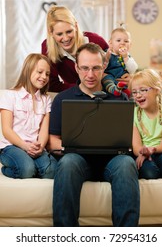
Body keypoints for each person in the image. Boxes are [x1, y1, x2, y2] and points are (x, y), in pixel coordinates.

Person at [48, 42, 140, 227]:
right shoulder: (62, 99)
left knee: (126, 164)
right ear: (76, 67)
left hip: (113, 162)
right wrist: (73, 146)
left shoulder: (119, 97)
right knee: (68, 162)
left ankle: (127, 238)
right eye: (85, 68)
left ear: (104, 66)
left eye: (96, 68)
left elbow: (131, 134)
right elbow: (52, 142)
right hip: (77, 161)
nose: (90, 75)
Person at [0, 53, 57, 179]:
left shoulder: (46, 99)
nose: (44, 77)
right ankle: (6, 170)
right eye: (40, 72)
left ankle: (33, 166)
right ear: (28, 71)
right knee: (27, 169)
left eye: (47, 74)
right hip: (11, 147)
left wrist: (40, 147)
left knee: (52, 171)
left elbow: (44, 130)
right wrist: (25, 146)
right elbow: (6, 130)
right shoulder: (9, 95)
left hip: (34, 147)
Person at [41, 5, 109, 92]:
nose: (65, 38)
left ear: (76, 27)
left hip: (102, 93)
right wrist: (82, 89)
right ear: (51, 32)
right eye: (59, 34)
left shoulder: (96, 41)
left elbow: (116, 68)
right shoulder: (47, 48)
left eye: (69, 31)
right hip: (73, 96)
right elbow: (51, 84)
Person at [129, 68, 162, 179]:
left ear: (157, 90)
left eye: (143, 90)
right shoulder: (133, 114)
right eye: (134, 92)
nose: (138, 95)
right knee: (149, 173)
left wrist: (151, 150)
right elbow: (136, 147)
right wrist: (143, 152)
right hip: (144, 154)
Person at [102, 27, 138, 97]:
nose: (122, 43)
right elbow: (101, 67)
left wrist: (125, 57)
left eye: (126, 41)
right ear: (111, 43)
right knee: (106, 79)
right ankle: (114, 89)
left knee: (131, 86)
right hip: (110, 78)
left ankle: (125, 92)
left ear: (130, 45)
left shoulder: (128, 56)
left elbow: (133, 69)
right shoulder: (107, 53)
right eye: (118, 40)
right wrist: (106, 58)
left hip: (123, 80)